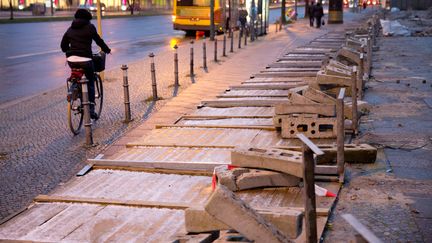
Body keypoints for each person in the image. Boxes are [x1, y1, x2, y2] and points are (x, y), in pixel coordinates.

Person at [60, 8, 111, 120]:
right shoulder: (90, 27)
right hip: (86, 60)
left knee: (76, 76)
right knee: (91, 81)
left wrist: (70, 50)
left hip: (71, 60)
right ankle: (91, 108)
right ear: (88, 18)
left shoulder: (70, 29)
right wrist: (107, 50)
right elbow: (99, 41)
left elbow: (63, 46)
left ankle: (74, 89)